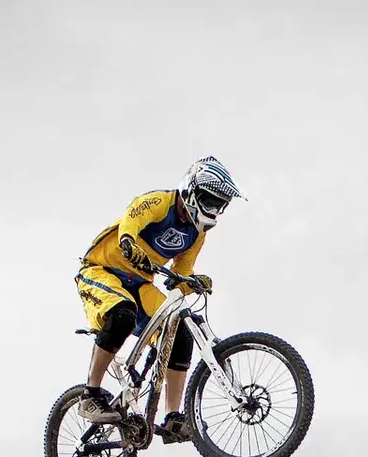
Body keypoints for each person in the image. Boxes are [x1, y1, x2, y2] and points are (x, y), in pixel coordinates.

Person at [74, 156, 243, 441]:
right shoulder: (159, 203)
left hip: (140, 284)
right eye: (209, 201)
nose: (213, 209)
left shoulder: (196, 234)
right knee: (123, 313)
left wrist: (193, 282)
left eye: (218, 205)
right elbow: (132, 218)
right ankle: (90, 395)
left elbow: (180, 274)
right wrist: (127, 242)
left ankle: (173, 417)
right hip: (102, 270)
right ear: (192, 191)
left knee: (181, 329)